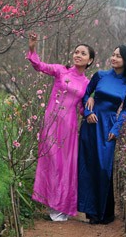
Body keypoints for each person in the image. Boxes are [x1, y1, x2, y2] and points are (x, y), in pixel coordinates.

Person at [27, 31, 95, 222]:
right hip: (52, 122)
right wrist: (32, 48)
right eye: (76, 52)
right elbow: (39, 66)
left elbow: (82, 109)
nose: (78, 55)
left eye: (83, 53)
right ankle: (51, 202)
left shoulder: (88, 84)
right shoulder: (60, 70)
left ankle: (61, 205)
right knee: (51, 161)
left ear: (89, 61)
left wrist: (92, 106)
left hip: (69, 128)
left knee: (65, 166)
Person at [77, 45, 126, 224]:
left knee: (104, 168)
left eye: (118, 56)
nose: (114, 58)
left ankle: (105, 213)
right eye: (113, 54)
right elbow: (86, 94)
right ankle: (92, 213)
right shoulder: (100, 75)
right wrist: (88, 112)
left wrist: (116, 128)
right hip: (91, 124)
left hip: (108, 127)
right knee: (89, 166)